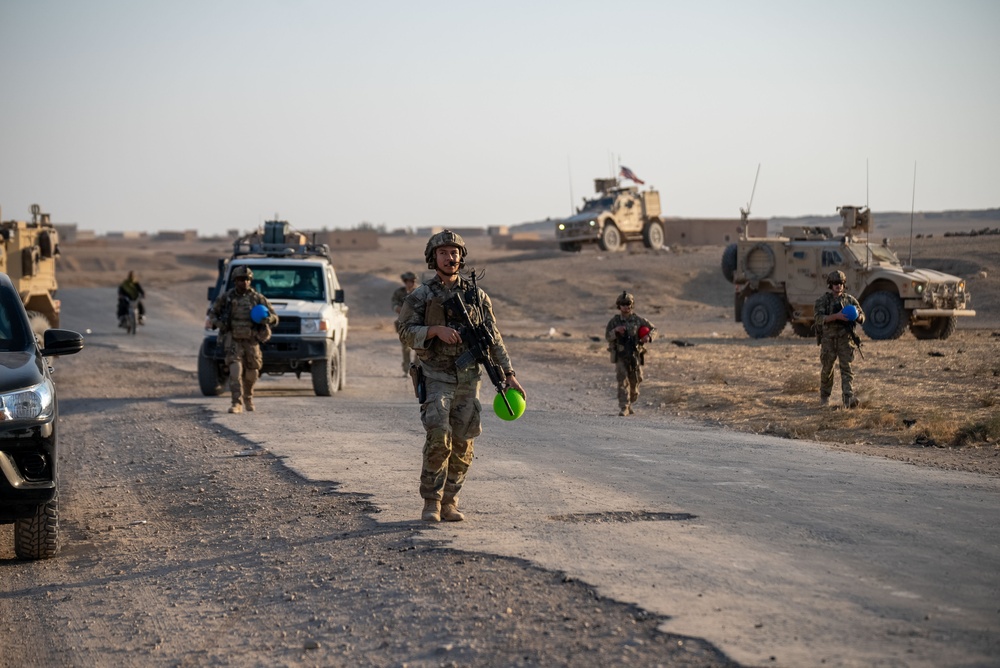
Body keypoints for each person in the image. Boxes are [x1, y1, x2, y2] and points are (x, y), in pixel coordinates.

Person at [397, 230, 525, 523]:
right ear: (433, 258)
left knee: (464, 441)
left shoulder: (477, 296)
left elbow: (493, 338)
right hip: (435, 375)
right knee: (439, 436)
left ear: (461, 257)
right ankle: (432, 500)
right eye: (443, 252)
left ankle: (451, 501)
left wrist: (509, 373)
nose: (450, 257)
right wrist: (433, 331)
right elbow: (404, 331)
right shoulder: (421, 296)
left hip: (469, 378)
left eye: (454, 252)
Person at [207, 265, 279, 414]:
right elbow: (212, 314)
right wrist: (218, 324)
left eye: (247, 279)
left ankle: (248, 397)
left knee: (252, 372)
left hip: (252, 340)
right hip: (233, 339)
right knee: (235, 370)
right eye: (241, 279)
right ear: (235, 281)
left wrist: (268, 319)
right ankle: (236, 402)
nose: (244, 282)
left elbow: (275, 317)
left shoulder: (258, 298)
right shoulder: (227, 298)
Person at [814, 270, 866, 408]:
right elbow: (818, 318)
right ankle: (825, 398)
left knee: (847, 369)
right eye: (835, 283)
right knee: (827, 369)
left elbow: (862, 317)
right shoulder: (823, 301)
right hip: (828, 340)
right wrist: (836, 317)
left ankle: (848, 399)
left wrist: (857, 317)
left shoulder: (850, 300)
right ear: (830, 285)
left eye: (841, 283)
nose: (838, 286)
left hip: (845, 340)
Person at [605, 291, 656, 416]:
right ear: (619, 306)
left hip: (635, 355)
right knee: (622, 380)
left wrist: (648, 337)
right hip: (621, 355)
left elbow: (654, 329)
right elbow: (608, 336)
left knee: (636, 381)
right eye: (623, 304)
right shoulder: (615, 321)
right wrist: (616, 331)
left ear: (631, 305)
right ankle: (624, 407)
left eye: (628, 304)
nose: (625, 307)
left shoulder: (638, 320)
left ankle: (631, 399)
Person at [391, 271, 418, 376]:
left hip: (417, 323)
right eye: (408, 281)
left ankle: (416, 369)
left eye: (412, 281)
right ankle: (406, 370)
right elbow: (394, 304)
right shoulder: (399, 292)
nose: (410, 283)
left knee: (418, 348)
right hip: (404, 324)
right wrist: (400, 309)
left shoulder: (419, 292)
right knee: (405, 348)